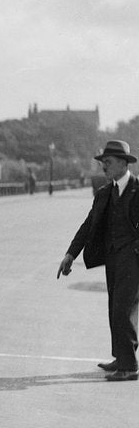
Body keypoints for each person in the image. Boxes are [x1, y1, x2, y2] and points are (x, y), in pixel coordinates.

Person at [58, 140, 139, 382]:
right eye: (103, 162)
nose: (104, 166)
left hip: (134, 260)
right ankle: (121, 357)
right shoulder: (105, 193)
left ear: (123, 163)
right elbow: (88, 225)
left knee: (122, 311)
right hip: (113, 260)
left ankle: (129, 367)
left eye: (108, 162)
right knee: (116, 308)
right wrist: (70, 254)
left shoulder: (138, 190)